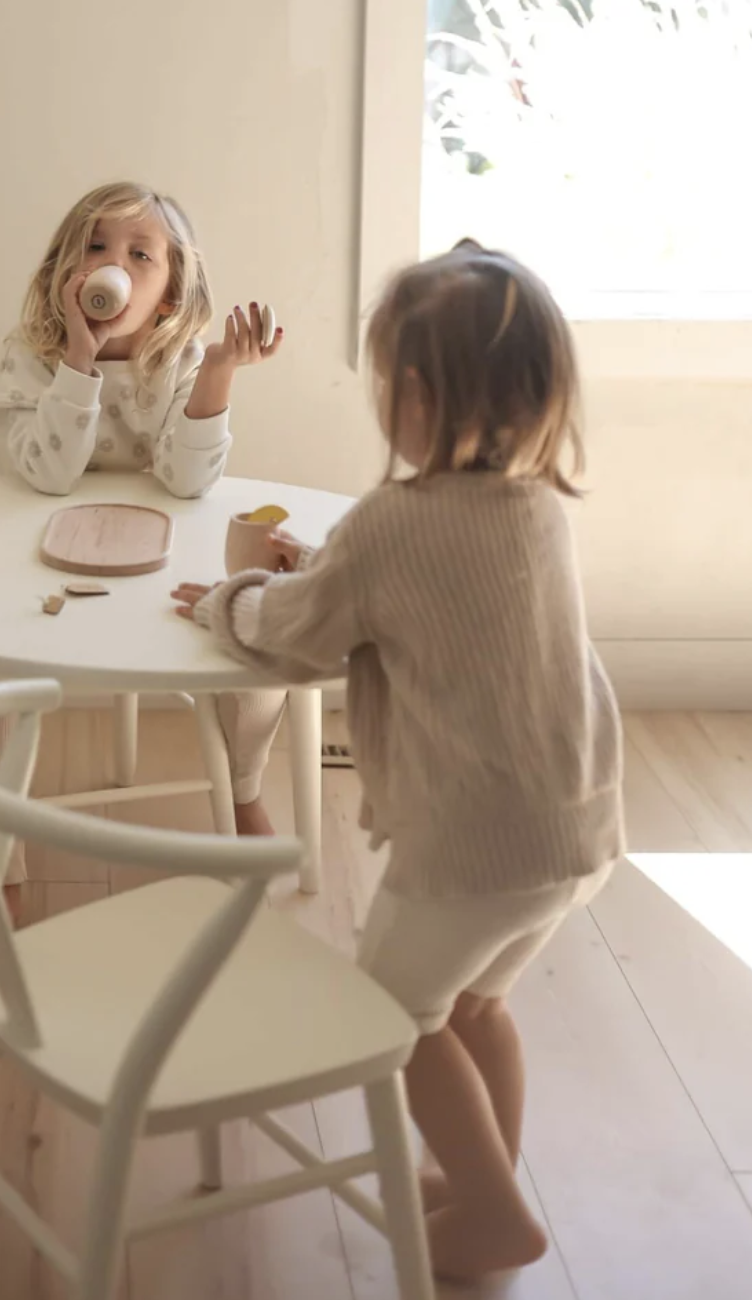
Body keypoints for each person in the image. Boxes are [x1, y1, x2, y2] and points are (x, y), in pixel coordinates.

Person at [172, 240, 624, 1284]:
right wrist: (330, 571)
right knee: (478, 1008)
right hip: (578, 829)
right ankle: (482, 1185)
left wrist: (228, 599)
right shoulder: (536, 509)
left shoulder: (389, 525)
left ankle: (500, 1212)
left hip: (472, 848)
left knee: (392, 1019)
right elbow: (428, 600)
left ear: (413, 396)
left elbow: (295, 636)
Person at [0, 180, 288, 847]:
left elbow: (186, 483)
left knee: (264, 633)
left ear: (170, 292)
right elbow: (48, 474)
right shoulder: (32, 358)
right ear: (66, 271)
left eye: (139, 254)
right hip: (38, 563)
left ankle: (242, 789)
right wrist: (79, 360)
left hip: (158, 560)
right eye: (94, 246)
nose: (111, 264)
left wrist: (217, 373)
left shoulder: (176, 363)